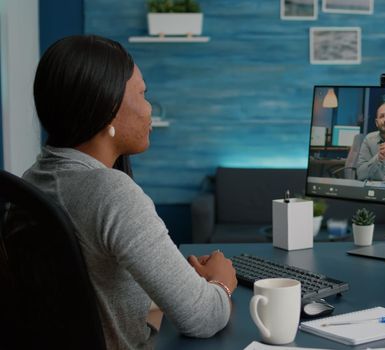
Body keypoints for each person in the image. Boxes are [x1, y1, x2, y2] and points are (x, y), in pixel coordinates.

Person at [23, 35, 237, 348]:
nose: (150, 109)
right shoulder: (110, 193)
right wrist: (222, 282)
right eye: (143, 94)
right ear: (108, 107)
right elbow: (202, 317)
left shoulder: (35, 178)